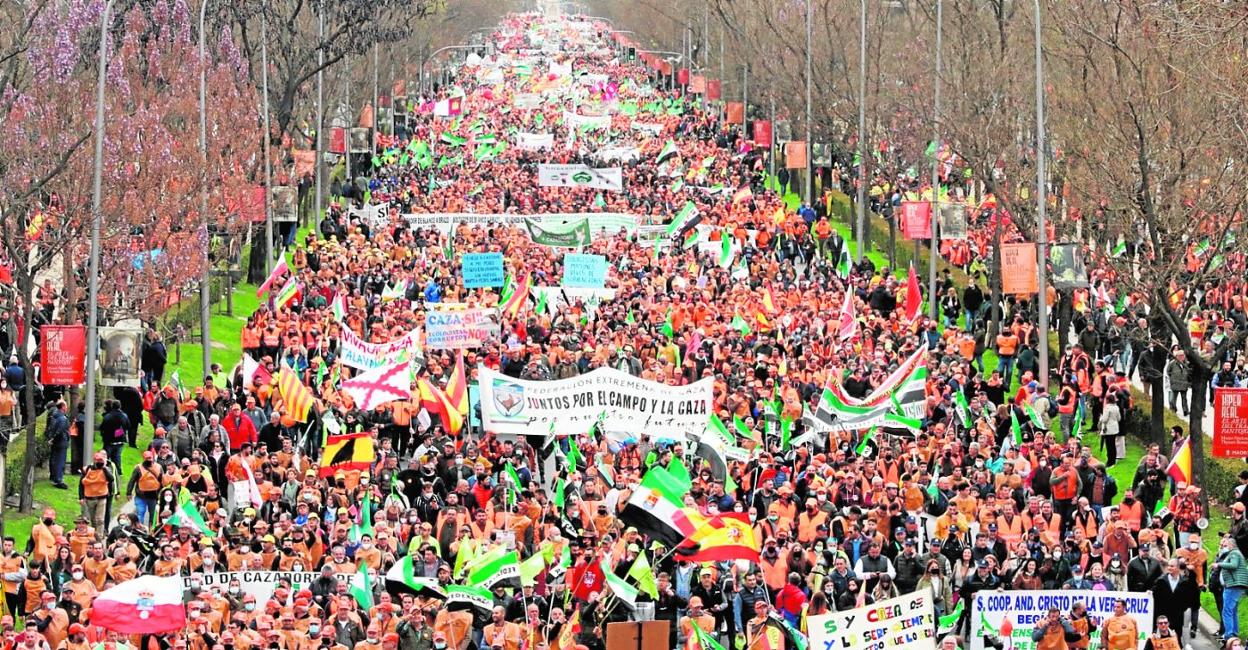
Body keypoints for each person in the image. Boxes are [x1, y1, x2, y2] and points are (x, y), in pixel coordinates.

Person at [1213, 533, 1248, 640]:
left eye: (1225, 545)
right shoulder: (1236, 553)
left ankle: (1229, 635)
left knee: (1227, 610)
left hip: (1233, 585)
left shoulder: (1234, 553)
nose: (1224, 547)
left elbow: (1233, 565)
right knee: (1232, 611)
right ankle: (1234, 633)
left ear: (1231, 545)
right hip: (1235, 586)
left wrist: (1219, 564)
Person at [45, 401, 69, 489]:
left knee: (54, 459)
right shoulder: (62, 418)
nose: (67, 408)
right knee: (60, 460)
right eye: (66, 406)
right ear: (62, 407)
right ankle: (58, 479)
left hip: (56, 442)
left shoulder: (54, 416)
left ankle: (54, 476)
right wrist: (53, 439)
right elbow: (61, 430)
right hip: (61, 442)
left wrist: (51, 439)